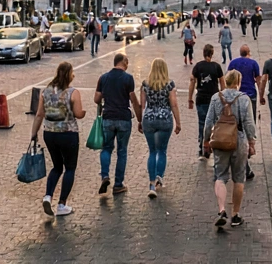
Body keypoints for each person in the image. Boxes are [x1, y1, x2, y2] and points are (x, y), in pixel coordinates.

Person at [202, 69, 257, 229]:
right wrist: (251, 142)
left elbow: (208, 122)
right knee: (239, 178)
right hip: (239, 140)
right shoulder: (244, 99)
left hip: (220, 140)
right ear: (238, 82)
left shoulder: (215, 98)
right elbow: (249, 124)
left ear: (226, 81)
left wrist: (206, 141)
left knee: (220, 176)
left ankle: (221, 210)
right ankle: (235, 215)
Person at [31, 60, 85, 217]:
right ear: (69, 75)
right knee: (70, 168)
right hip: (68, 134)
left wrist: (34, 133)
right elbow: (78, 113)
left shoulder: (46, 92)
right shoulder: (73, 92)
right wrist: (83, 113)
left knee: (56, 167)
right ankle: (62, 204)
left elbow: (39, 114)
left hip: (49, 134)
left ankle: (48, 195)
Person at [94, 53, 143, 195]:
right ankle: (118, 184)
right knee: (122, 152)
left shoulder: (103, 78)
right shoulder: (128, 78)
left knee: (106, 148)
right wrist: (140, 119)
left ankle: (104, 176)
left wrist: (106, 95)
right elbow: (133, 100)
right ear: (124, 62)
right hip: (123, 118)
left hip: (108, 117)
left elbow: (96, 99)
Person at [139, 58, 180, 198]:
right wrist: (178, 122)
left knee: (152, 151)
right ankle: (159, 176)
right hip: (164, 119)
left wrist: (140, 121)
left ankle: (151, 184)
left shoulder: (145, 84)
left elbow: (142, 105)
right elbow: (173, 104)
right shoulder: (169, 85)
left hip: (149, 119)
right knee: (162, 150)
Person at [227, 44, 260, 180]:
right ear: (249, 53)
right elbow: (258, 80)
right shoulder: (253, 63)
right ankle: (245, 159)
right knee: (247, 126)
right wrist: (262, 94)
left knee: (236, 127)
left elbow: (227, 80)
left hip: (234, 97)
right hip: (250, 96)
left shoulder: (233, 63)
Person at [190, 44, 224, 160]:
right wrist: (223, 97)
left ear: (204, 53)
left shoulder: (198, 66)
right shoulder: (216, 67)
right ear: (212, 53)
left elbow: (192, 82)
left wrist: (190, 98)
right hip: (215, 99)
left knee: (202, 123)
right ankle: (214, 146)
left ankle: (202, 148)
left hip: (201, 98)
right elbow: (222, 83)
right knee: (215, 123)